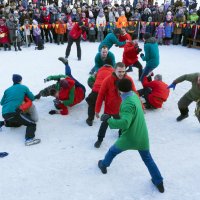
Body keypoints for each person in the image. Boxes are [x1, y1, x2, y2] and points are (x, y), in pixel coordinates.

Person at [98, 78, 164, 193]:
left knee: (112, 151)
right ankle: (159, 182)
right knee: (148, 159)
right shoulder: (133, 95)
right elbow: (130, 114)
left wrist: (109, 120)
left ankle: (103, 165)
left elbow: (125, 123)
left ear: (119, 89)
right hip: (142, 133)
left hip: (130, 137)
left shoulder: (127, 103)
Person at [94, 62, 138, 148]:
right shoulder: (107, 80)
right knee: (104, 124)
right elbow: (101, 95)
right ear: (114, 70)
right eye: (119, 71)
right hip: (109, 108)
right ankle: (100, 139)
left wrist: (140, 106)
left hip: (122, 109)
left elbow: (134, 93)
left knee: (123, 123)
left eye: (123, 71)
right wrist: (97, 110)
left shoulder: (129, 79)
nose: (121, 73)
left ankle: (121, 134)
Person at [0, 74, 40, 146]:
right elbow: (32, 98)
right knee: (32, 123)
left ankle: (2, 123)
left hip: (4, 114)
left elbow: (1, 103)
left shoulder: (7, 90)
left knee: (19, 123)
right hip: (15, 112)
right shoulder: (23, 87)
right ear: (20, 80)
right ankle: (29, 139)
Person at [86, 59, 114, 126]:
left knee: (92, 104)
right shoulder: (113, 71)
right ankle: (109, 119)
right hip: (106, 91)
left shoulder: (99, 70)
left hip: (96, 90)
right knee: (109, 105)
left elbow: (92, 78)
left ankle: (90, 119)